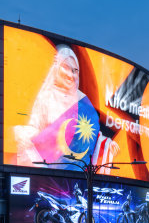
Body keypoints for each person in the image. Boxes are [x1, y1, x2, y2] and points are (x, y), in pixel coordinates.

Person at [12, 44, 119, 172]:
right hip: (49, 168)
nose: (70, 74)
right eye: (66, 68)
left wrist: (106, 143)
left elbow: (90, 133)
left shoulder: (82, 101)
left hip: (77, 172)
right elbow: (36, 128)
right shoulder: (47, 96)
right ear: (57, 67)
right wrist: (21, 134)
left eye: (75, 70)